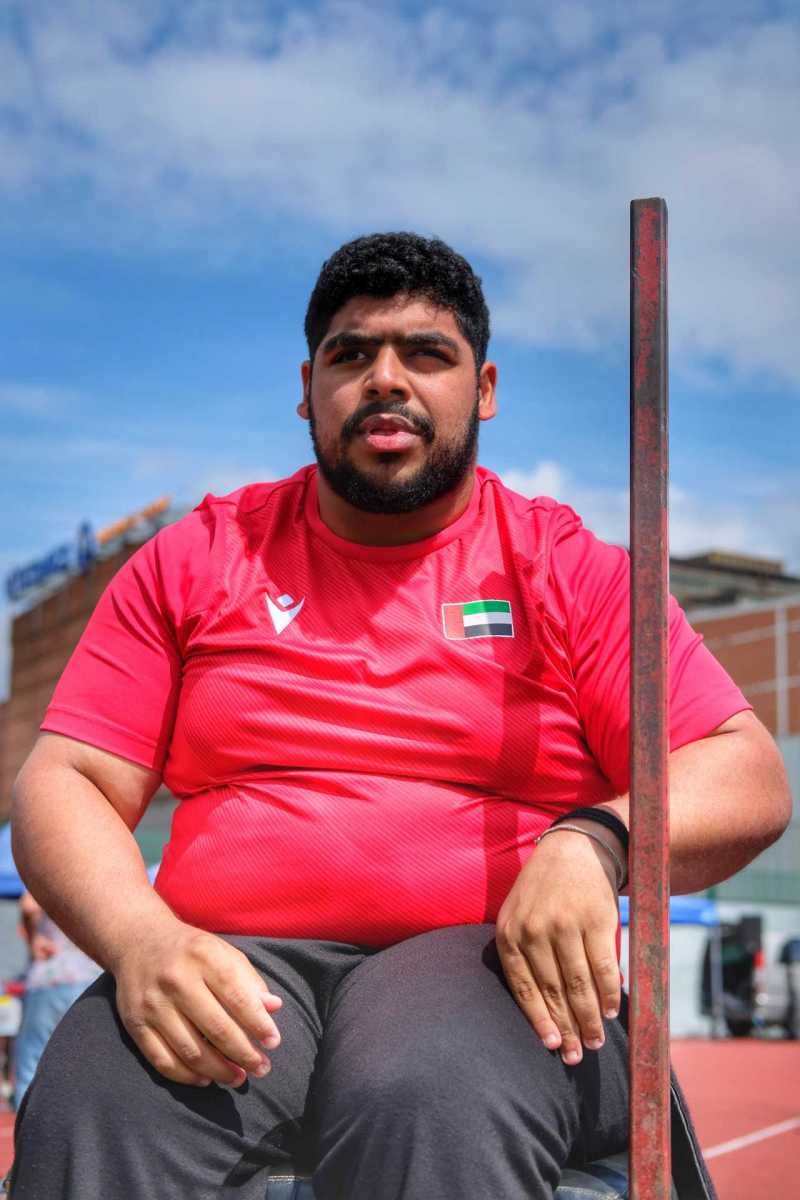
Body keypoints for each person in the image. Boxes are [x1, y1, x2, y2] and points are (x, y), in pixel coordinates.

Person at [9, 233, 791, 1200]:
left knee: (424, 1085)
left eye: (426, 353)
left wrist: (596, 838)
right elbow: (66, 778)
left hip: (480, 969)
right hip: (235, 964)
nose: (386, 379)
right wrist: (139, 939)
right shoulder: (196, 558)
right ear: (307, 389)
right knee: (94, 1097)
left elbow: (745, 772)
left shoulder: (570, 570)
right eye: (351, 354)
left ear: (484, 388)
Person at [13, 891, 101, 1109]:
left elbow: (29, 906)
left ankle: (28, 1117)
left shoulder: (54, 875)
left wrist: (34, 938)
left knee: (33, 1055)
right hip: (93, 981)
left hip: (52, 978)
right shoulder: (105, 883)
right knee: (84, 1058)